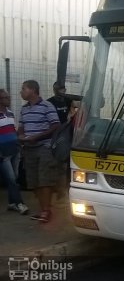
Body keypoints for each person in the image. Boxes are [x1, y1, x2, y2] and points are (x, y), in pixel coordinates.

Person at [17, 80, 60, 223]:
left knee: (44, 180)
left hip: (44, 147)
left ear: (33, 90)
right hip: (29, 149)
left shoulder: (47, 106)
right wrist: (20, 136)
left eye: (23, 89)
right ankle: (43, 210)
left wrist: (37, 137)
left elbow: (55, 126)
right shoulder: (24, 109)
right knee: (33, 182)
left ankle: (46, 211)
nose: (21, 92)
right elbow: (21, 127)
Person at [0, 89, 29, 215]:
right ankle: (19, 203)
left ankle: (12, 203)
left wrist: (20, 145)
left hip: (15, 151)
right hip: (3, 153)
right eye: (6, 97)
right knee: (12, 179)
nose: (9, 99)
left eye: (8, 96)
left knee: (15, 177)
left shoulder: (11, 113)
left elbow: (13, 130)